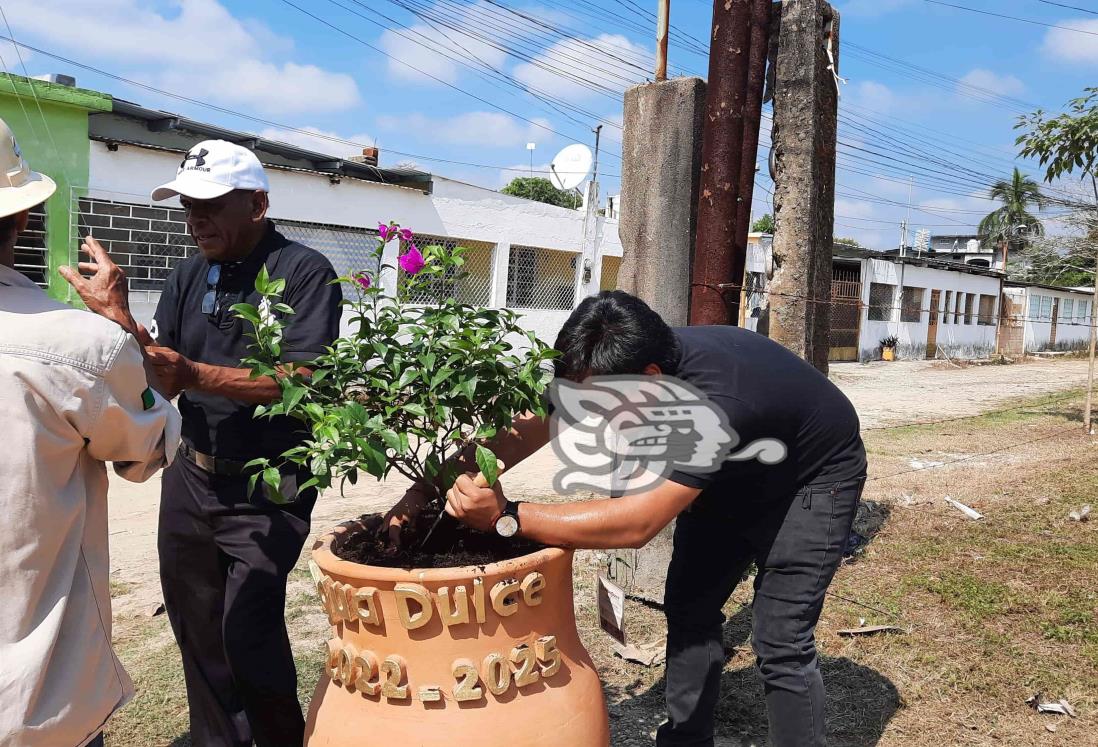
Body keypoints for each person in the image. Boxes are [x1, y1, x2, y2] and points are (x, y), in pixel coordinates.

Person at [389, 290, 867, 747]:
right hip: (729, 475)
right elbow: (523, 431)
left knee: (780, 640)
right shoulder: (617, 362)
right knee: (690, 610)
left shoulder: (714, 404)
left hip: (812, 479)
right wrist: (419, 493)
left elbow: (636, 524)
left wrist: (507, 517)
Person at [71, 140, 342, 747]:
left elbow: (302, 379)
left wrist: (194, 374)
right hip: (190, 478)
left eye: (213, 204)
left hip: (266, 486)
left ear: (257, 204)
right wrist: (120, 317)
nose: (197, 219)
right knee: (196, 629)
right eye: (189, 205)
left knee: (248, 629)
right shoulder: (188, 273)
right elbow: (161, 362)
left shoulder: (304, 272)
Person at [0, 117, 181, 747]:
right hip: (32, 702)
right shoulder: (76, 345)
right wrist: (120, 328)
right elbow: (146, 449)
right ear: (23, 220)